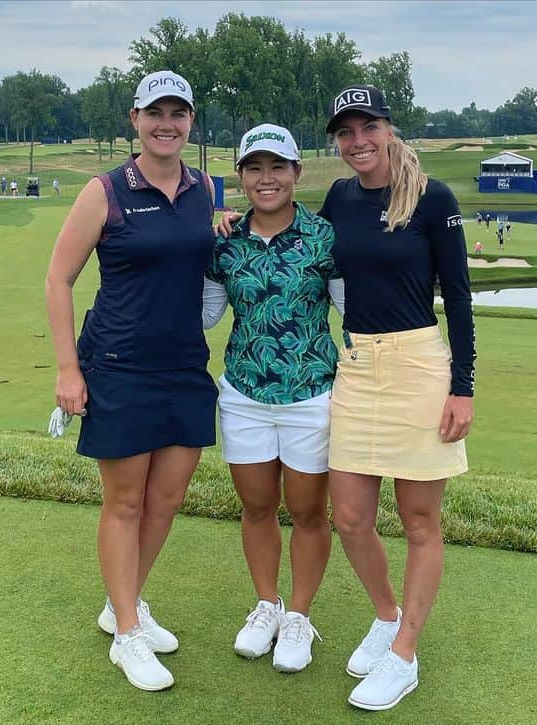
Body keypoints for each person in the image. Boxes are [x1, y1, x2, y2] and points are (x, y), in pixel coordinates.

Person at [45, 70, 217, 693]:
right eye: (155, 113)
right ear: (135, 119)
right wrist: (68, 368)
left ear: (191, 120)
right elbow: (57, 280)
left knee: (166, 498)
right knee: (125, 502)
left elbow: (203, 252)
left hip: (185, 368)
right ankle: (126, 630)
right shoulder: (106, 191)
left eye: (178, 112)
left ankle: (127, 600)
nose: (166, 123)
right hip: (119, 366)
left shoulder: (202, 189)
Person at [320, 85, 475, 711]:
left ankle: (405, 655)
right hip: (356, 366)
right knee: (350, 516)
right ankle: (387, 616)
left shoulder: (433, 199)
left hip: (418, 365)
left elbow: (459, 297)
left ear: (389, 129)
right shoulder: (338, 197)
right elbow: (304, 247)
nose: (358, 141)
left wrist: (462, 388)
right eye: (346, 132)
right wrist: (235, 224)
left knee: (418, 520)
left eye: (368, 128)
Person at [203, 124, 342, 674]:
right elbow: (207, 314)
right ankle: (268, 605)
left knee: (309, 511)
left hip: (311, 394)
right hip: (243, 392)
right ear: (240, 176)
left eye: (277, 167)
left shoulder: (323, 237)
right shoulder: (226, 242)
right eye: (254, 168)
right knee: (257, 506)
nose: (266, 179)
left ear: (296, 173)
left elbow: (354, 314)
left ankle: (300, 616)